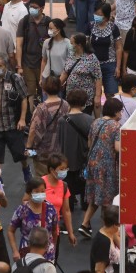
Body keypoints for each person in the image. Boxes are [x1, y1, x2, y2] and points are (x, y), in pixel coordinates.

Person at [77, 97, 125, 237]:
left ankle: (85, 224)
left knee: (96, 196)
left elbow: (89, 143)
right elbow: (117, 147)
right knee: (107, 198)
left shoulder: (96, 122)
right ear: (116, 112)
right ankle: (107, 229)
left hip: (93, 164)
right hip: (107, 166)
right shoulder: (116, 126)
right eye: (120, 111)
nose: (121, 114)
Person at [0, 53, 32, 181]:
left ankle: (26, 170)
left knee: (20, 153)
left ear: (6, 66)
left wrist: (22, 119)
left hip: (12, 124)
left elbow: (24, 98)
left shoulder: (16, 79)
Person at [59, 89, 94, 225]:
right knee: (85, 193)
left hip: (66, 163)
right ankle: (86, 224)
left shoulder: (62, 120)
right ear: (84, 103)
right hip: (83, 163)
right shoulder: (90, 120)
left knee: (67, 193)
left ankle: (66, 224)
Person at [9, 178, 60, 265]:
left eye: (42, 191)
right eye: (36, 191)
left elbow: (55, 231)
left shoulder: (51, 208)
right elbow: (11, 231)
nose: (40, 194)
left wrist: (53, 248)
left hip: (47, 254)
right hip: (27, 254)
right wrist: (15, 251)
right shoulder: (22, 210)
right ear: (29, 193)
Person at [26, 77, 68, 176]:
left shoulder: (41, 108)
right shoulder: (65, 104)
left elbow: (33, 130)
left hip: (44, 153)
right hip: (60, 150)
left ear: (44, 90)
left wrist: (28, 147)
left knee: (44, 180)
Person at [16, 0, 51, 108]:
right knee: (30, 92)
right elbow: (19, 45)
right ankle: (32, 115)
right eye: (30, 6)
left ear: (42, 8)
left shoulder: (48, 23)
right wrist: (19, 66)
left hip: (44, 64)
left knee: (45, 91)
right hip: (28, 63)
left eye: (35, 7)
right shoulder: (25, 21)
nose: (32, 9)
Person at [43, 153, 76, 247]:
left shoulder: (64, 186)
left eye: (66, 169)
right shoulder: (40, 184)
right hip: (39, 231)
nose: (64, 171)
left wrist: (71, 233)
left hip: (54, 231)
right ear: (52, 170)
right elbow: (26, 201)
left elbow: (66, 211)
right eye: (61, 169)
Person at [91, 206, 122, 273]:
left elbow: (121, 245)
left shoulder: (110, 233)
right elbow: (99, 270)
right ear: (115, 225)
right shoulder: (103, 242)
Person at [41, 18, 72, 84]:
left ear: (58, 29)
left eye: (51, 28)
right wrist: (41, 78)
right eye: (49, 28)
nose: (49, 31)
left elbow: (70, 63)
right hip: (47, 78)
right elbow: (44, 60)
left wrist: (63, 79)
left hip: (61, 79)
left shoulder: (67, 43)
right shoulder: (46, 42)